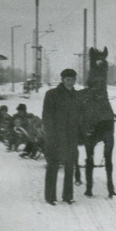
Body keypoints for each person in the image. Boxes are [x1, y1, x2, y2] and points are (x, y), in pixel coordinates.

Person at [42, 68, 80, 205]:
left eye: (72, 80)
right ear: (62, 80)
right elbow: (47, 116)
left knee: (70, 166)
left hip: (71, 137)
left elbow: (80, 117)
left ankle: (68, 196)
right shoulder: (52, 94)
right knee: (53, 165)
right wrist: (51, 135)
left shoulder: (77, 96)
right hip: (56, 137)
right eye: (67, 80)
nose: (70, 82)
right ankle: (50, 197)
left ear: (75, 80)